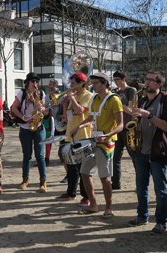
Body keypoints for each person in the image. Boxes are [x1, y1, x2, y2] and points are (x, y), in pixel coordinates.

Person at [128, 70, 167, 234]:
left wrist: (148, 115)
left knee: (160, 189)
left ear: (159, 84)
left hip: (158, 151)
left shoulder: (166, 99)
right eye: (145, 79)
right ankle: (142, 216)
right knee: (141, 187)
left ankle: (162, 222)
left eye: (150, 80)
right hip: (142, 150)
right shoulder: (141, 100)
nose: (146, 82)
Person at [70, 72, 124, 218]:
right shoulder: (94, 99)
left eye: (95, 83)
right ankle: (93, 205)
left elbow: (120, 125)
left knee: (104, 177)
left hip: (106, 143)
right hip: (93, 141)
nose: (92, 85)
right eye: (92, 83)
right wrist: (78, 127)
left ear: (104, 83)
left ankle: (109, 208)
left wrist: (107, 135)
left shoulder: (114, 100)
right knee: (84, 173)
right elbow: (90, 118)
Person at [55, 72, 93, 205]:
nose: (70, 86)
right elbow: (67, 119)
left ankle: (86, 196)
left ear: (81, 84)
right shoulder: (74, 96)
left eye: (72, 83)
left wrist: (71, 99)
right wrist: (65, 104)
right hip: (71, 136)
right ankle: (71, 193)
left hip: (83, 136)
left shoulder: (88, 95)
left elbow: (80, 111)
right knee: (71, 167)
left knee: (83, 168)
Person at [11, 72, 48, 192]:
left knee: (40, 156)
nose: (35, 83)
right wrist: (24, 117)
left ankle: (43, 181)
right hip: (25, 128)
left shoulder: (41, 93)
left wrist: (43, 109)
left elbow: (45, 112)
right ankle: (25, 180)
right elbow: (13, 108)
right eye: (33, 81)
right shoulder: (22, 93)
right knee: (27, 156)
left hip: (39, 127)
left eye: (37, 81)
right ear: (27, 82)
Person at [111, 71, 138, 190]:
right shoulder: (115, 92)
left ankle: (140, 183)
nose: (115, 82)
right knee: (115, 157)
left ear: (124, 79)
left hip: (128, 128)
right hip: (117, 127)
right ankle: (115, 183)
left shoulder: (131, 91)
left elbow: (131, 110)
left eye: (117, 79)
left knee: (134, 156)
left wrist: (117, 104)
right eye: (114, 80)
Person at [43, 79, 60, 166]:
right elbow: (46, 108)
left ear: (55, 85)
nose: (49, 86)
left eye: (51, 85)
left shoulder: (61, 94)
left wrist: (58, 103)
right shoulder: (47, 96)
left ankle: (62, 158)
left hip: (60, 120)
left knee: (61, 140)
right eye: (49, 84)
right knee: (49, 141)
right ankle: (47, 159)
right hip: (51, 120)